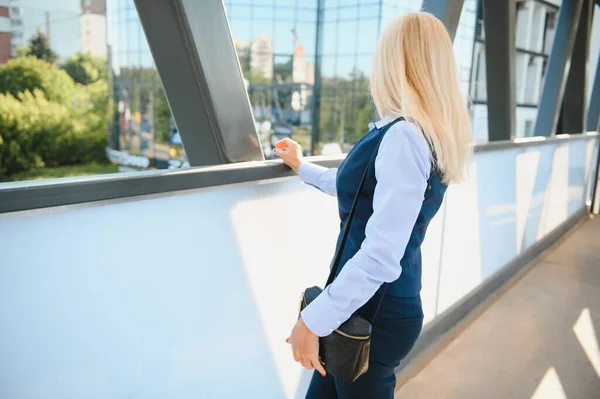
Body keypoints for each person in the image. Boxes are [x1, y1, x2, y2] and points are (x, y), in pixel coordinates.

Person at [274, 12, 472, 398]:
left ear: (394, 63)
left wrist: (313, 321)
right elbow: (359, 188)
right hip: (374, 307)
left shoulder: (403, 138)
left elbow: (380, 255)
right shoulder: (420, 134)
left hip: (372, 314)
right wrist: (301, 165)